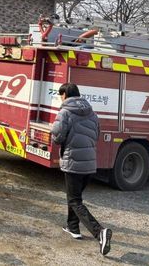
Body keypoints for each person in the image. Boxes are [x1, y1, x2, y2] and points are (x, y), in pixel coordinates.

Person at [51, 83, 112, 256]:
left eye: (61, 95)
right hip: (90, 165)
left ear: (65, 95)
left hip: (73, 163)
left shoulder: (65, 113)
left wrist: (55, 134)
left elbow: (57, 137)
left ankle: (99, 232)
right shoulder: (92, 114)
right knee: (75, 197)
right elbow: (96, 135)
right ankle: (73, 227)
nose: (60, 98)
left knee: (74, 200)